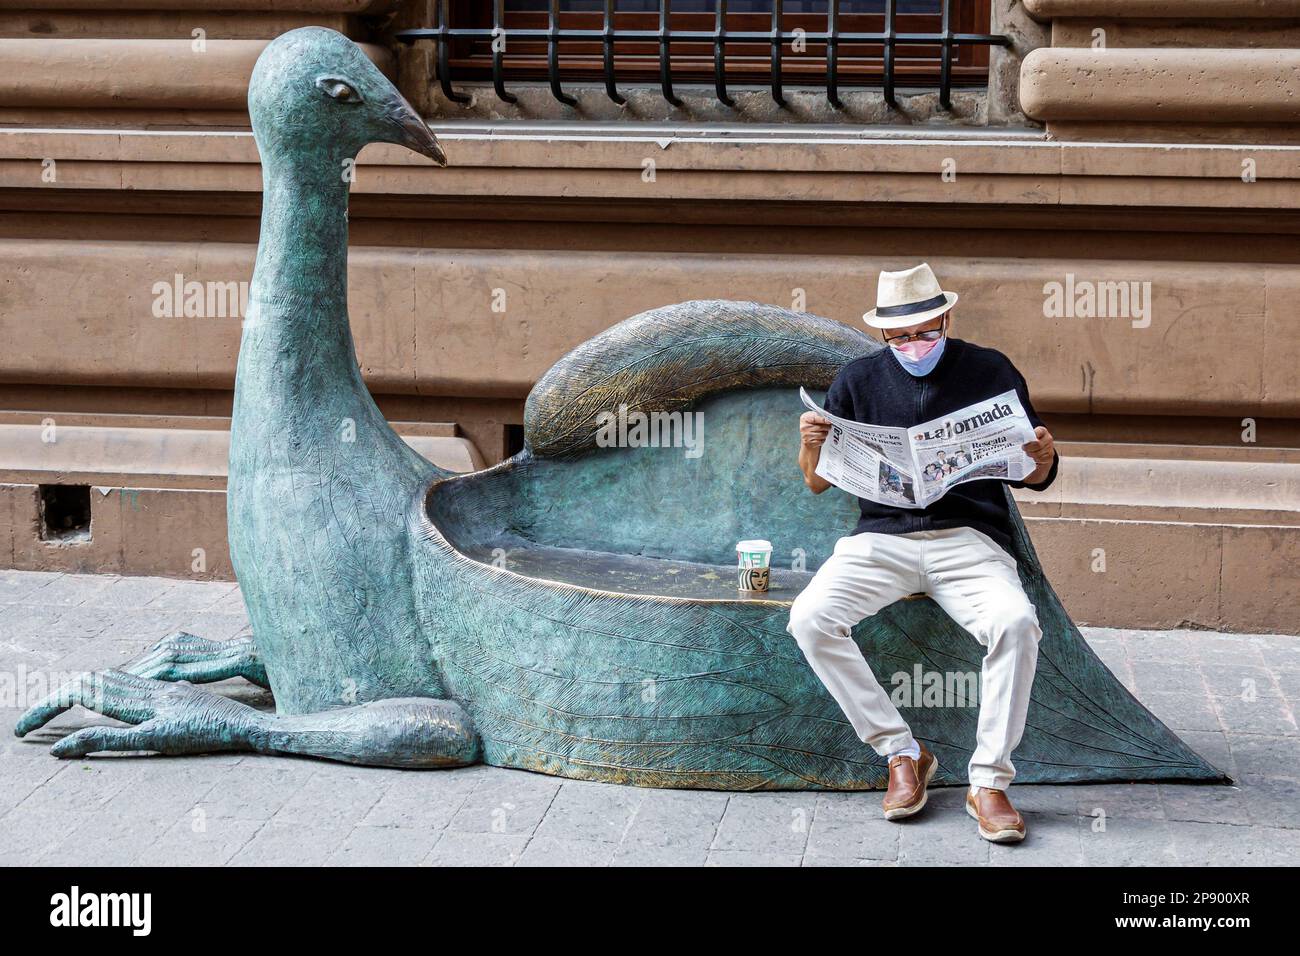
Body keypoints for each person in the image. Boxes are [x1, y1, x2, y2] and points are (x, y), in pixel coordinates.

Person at [790, 263, 1058, 844]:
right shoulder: (858, 379)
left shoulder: (989, 369)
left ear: (945, 317)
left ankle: (988, 782)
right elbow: (817, 484)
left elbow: (1036, 474)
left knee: (1015, 623)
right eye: (900, 336)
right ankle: (901, 753)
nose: (914, 345)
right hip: (880, 540)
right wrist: (811, 449)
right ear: (884, 334)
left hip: (968, 540)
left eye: (924, 332)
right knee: (810, 620)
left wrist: (1043, 455)